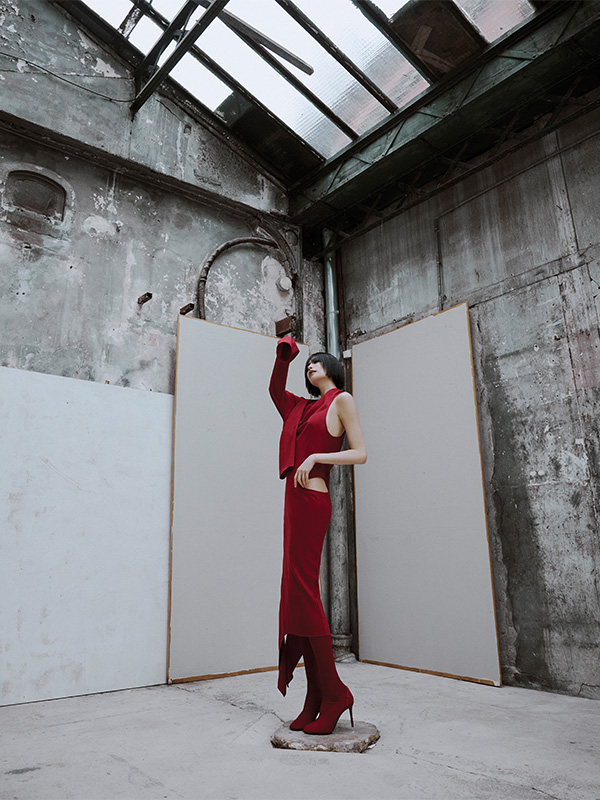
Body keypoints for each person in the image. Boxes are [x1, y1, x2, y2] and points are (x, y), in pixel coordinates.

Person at [269, 335, 367, 735]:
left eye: (318, 361)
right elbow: (275, 391)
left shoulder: (341, 400)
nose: (312, 366)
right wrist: (285, 356)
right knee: (297, 593)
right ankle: (315, 696)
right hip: (293, 503)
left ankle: (335, 693)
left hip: (313, 500)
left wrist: (316, 456)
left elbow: (360, 452)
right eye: (308, 363)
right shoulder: (301, 407)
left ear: (333, 369)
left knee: (305, 592)